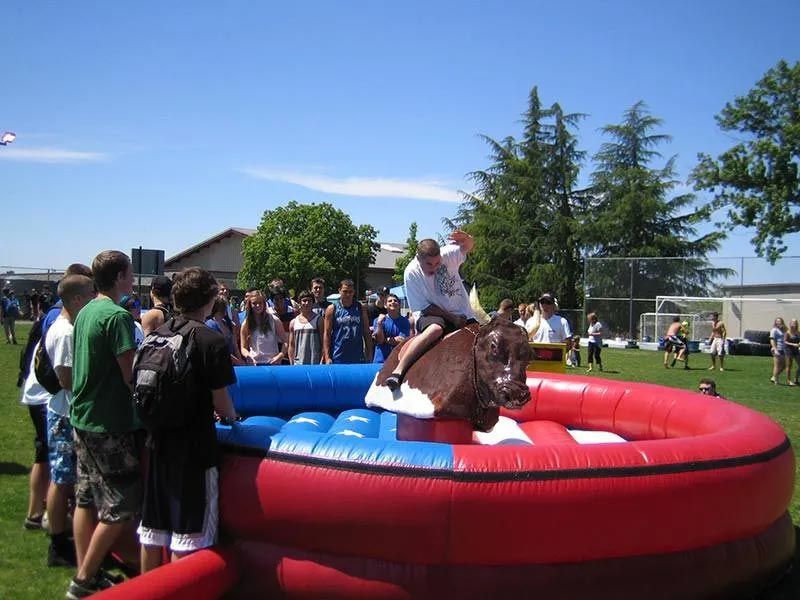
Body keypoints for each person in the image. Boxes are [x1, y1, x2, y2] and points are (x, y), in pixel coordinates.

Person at [138, 267, 238, 573]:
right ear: (209, 300)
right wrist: (233, 419)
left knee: (153, 531)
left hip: (157, 443)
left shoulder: (156, 336)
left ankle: (146, 592)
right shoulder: (210, 340)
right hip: (194, 450)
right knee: (188, 536)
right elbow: (221, 400)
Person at [67, 250, 142, 598]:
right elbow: (131, 375)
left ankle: (91, 572)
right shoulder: (116, 316)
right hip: (109, 422)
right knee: (120, 505)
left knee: (85, 499)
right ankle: (84, 579)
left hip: (82, 417)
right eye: (129, 273)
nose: (132, 278)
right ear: (121, 276)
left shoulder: (85, 312)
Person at [44, 274, 96, 567]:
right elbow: (66, 378)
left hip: (68, 411)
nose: (93, 298)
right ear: (77, 299)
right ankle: (58, 543)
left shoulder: (70, 327)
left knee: (67, 478)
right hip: (65, 413)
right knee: (62, 479)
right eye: (90, 294)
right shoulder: (64, 332)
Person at [384, 232, 476, 391]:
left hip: (462, 312)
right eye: (429, 264)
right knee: (435, 329)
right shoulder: (411, 273)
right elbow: (425, 307)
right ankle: (399, 370)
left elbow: (467, 247)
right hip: (430, 313)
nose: (434, 267)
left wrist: (468, 239)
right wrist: (452, 318)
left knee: (480, 337)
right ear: (418, 258)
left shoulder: (448, 254)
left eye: (437, 262)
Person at [323, 279, 373, 364]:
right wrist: (327, 357)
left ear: (354, 292)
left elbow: (366, 332)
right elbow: (327, 334)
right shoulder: (332, 309)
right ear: (339, 291)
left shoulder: (361, 308)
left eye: (350, 292)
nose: (348, 294)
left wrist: (370, 353)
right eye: (345, 291)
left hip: (357, 356)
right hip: (338, 355)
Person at [240, 291, 286, 365]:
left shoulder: (274, 320)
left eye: (260, 303)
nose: (258, 305)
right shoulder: (246, 324)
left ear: (264, 304)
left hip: (273, 363)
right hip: (255, 364)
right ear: (250, 305)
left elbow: (285, 342)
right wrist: (248, 356)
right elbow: (243, 348)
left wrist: (280, 355)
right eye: (254, 303)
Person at [372, 293, 412, 364]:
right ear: (385, 305)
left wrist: (385, 340)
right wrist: (379, 324)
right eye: (390, 301)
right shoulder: (378, 321)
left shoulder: (405, 321)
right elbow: (380, 340)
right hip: (380, 361)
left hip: (398, 361)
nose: (393, 302)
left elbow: (401, 340)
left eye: (395, 301)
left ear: (399, 305)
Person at [287, 290, 324, 365]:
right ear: (299, 303)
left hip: (315, 363)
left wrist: (322, 360)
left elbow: (323, 343)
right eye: (304, 301)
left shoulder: (319, 320)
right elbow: (291, 345)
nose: (307, 303)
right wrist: (291, 363)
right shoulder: (293, 322)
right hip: (298, 364)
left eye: (309, 301)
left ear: (313, 303)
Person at [205, 297, 245, 366]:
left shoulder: (229, 324)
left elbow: (235, 346)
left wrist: (240, 360)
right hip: (219, 364)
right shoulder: (210, 325)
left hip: (232, 364)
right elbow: (220, 350)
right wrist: (238, 362)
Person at [770, 317, 788, 385]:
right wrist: (775, 348)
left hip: (785, 349)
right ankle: (776, 380)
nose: (778, 322)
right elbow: (772, 340)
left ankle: (774, 376)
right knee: (777, 365)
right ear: (775, 322)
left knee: (784, 365)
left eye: (780, 321)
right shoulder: (774, 330)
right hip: (778, 349)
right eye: (777, 321)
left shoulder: (785, 330)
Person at [785, 319, 800, 386]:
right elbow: (785, 341)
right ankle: (788, 381)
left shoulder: (798, 332)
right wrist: (793, 344)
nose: (794, 324)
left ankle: (796, 379)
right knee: (789, 366)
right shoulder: (788, 332)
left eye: (795, 323)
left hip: (796, 350)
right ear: (790, 323)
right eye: (793, 322)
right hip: (789, 350)